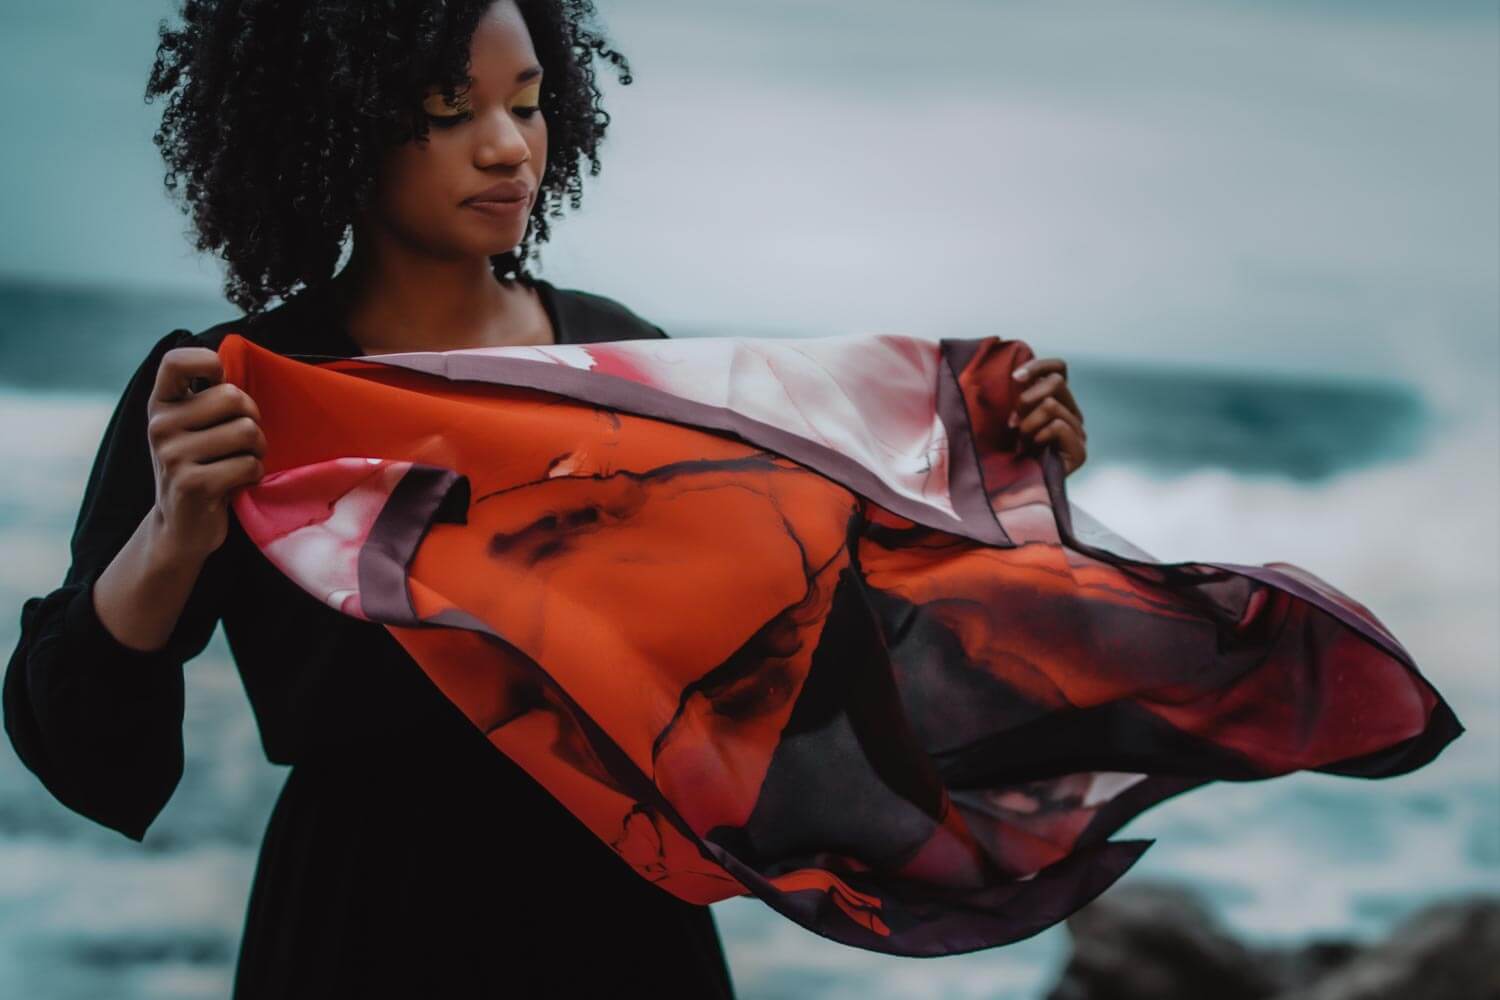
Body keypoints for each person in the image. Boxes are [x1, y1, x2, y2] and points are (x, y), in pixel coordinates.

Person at [5, 0, 1094, 994]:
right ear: (333, 124)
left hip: (620, 917)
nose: (508, 146)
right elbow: (82, 743)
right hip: (361, 931)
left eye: (526, 105)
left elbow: (795, 640)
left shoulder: (623, 361)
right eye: (449, 110)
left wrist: (991, 480)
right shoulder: (232, 387)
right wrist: (171, 537)